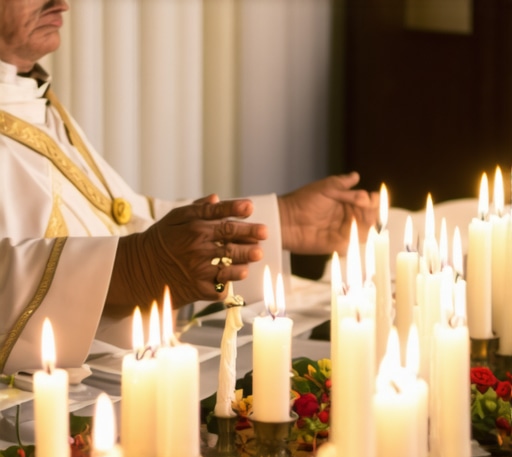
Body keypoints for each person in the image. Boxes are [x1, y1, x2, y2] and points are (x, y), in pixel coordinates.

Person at [0, 0, 379, 374]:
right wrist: (132, 270)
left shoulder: (26, 95)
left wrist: (280, 221)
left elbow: (122, 218)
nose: (63, 4)